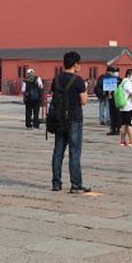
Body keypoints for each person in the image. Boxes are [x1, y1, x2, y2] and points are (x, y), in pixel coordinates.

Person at [50, 51, 90, 193]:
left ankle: (56, 183)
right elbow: (84, 101)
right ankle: (76, 184)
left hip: (59, 119)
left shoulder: (56, 79)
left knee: (58, 151)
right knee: (74, 152)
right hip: (74, 119)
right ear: (75, 64)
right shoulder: (78, 80)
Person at [118, 68, 132, 147]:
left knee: (124, 124)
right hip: (129, 107)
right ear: (129, 75)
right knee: (131, 124)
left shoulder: (122, 82)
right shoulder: (129, 83)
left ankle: (122, 141)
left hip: (123, 107)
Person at [95, 66, 117, 132]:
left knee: (101, 107)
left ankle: (101, 120)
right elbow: (112, 87)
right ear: (111, 71)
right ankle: (108, 119)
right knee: (108, 107)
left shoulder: (102, 76)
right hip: (107, 94)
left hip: (101, 94)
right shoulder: (111, 77)